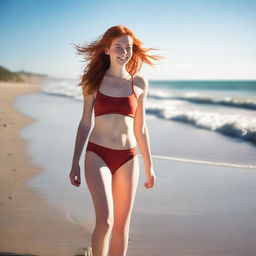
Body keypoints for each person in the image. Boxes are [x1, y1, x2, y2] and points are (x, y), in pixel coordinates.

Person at [69, 25, 163, 256]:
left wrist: (150, 166)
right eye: (118, 47)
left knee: (122, 226)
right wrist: (74, 162)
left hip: (128, 157)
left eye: (128, 47)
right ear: (107, 50)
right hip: (97, 154)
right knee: (106, 221)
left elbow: (141, 128)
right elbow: (84, 123)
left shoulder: (139, 83)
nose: (124, 52)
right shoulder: (93, 81)